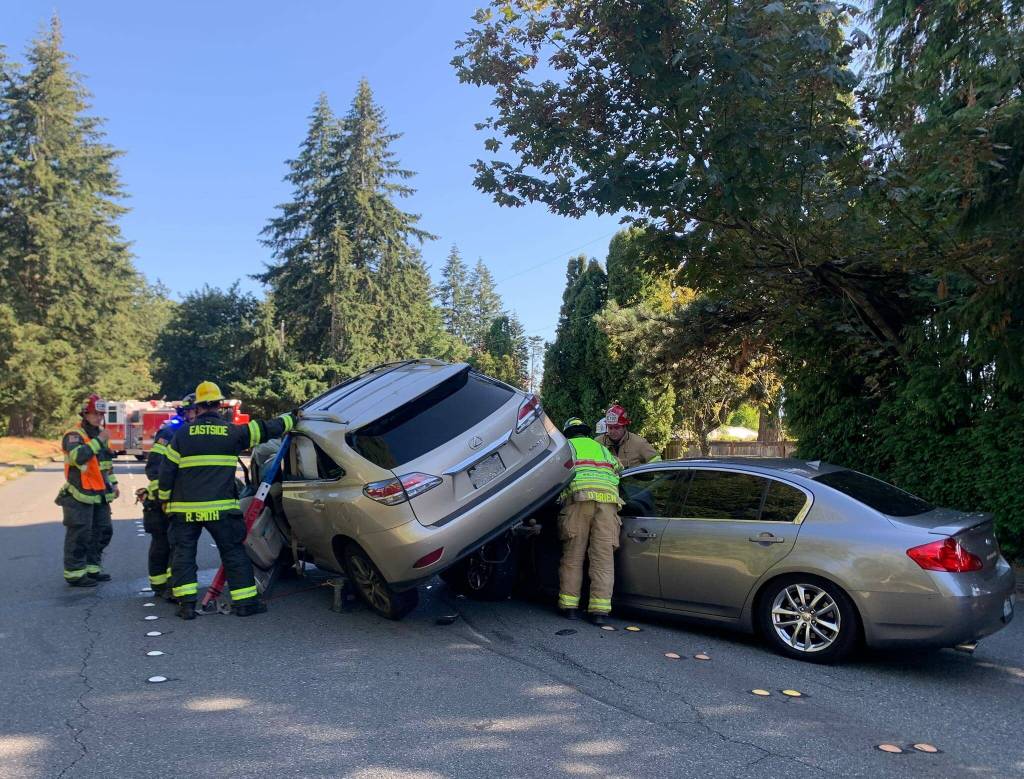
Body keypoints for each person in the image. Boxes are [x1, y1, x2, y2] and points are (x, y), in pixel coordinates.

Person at [158, 381, 295, 619]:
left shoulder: (181, 435)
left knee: (183, 555)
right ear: (220, 406)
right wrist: (291, 420)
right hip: (221, 509)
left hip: (185, 509)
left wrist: (163, 501)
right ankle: (245, 604)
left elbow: (166, 472)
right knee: (233, 553)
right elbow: (265, 428)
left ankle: (187, 606)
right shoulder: (232, 432)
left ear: (198, 406)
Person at [557, 417, 622, 625]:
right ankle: (600, 612)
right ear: (585, 433)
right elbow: (619, 469)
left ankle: (569, 608)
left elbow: (555, 477)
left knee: (573, 556)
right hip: (608, 503)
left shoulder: (566, 447)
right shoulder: (602, 449)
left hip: (578, 500)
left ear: (567, 433)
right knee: (603, 559)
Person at [58, 394, 119, 586]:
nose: (98, 418)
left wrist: (114, 483)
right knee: (80, 534)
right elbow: (78, 457)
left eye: (101, 414)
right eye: (95, 414)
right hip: (79, 492)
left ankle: (92, 568)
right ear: (85, 414)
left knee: (102, 531)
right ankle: (75, 574)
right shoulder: (74, 435)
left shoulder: (100, 435)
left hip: (99, 493)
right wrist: (98, 441)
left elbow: (106, 464)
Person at [140, 393, 195, 597]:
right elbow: (154, 469)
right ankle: (159, 585)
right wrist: (164, 496)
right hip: (162, 501)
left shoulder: (193, 432)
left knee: (178, 545)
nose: (195, 414)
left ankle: (173, 585)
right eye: (191, 410)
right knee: (162, 544)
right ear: (184, 411)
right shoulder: (170, 432)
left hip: (181, 500)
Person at [595, 404, 661, 469]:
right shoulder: (598, 443)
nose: (613, 431)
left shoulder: (639, 443)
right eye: (610, 428)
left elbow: (657, 463)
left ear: (624, 427)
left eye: (617, 427)